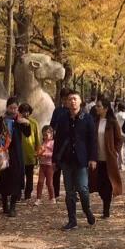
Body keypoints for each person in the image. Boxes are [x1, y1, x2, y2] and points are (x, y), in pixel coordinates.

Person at [52, 91, 97, 230]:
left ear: (80, 101)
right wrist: (54, 160)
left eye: (75, 99)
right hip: (66, 159)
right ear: (66, 102)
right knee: (69, 191)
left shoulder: (87, 118)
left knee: (83, 189)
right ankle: (72, 220)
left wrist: (93, 158)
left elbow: (92, 140)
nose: (72, 101)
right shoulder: (62, 118)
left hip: (82, 160)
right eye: (70, 99)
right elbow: (57, 140)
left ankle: (87, 209)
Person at [0, 96, 31, 217]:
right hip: (3, 153)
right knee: (4, 179)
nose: (13, 110)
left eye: (15, 108)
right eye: (11, 107)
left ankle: (13, 207)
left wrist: (26, 123)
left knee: (16, 179)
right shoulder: (1, 120)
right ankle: (5, 205)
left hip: (16, 154)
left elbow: (27, 134)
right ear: (7, 107)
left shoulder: (19, 120)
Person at [90, 96, 123, 218]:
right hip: (97, 159)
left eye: (99, 106)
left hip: (109, 159)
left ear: (106, 108)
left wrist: (115, 151)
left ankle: (106, 209)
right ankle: (104, 200)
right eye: (96, 106)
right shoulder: (94, 121)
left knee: (108, 184)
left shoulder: (112, 123)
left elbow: (119, 139)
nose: (97, 108)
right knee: (98, 183)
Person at [51, 87, 70, 199]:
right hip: (59, 143)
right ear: (62, 99)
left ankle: (71, 192)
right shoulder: (57, 111)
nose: (68, 101)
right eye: (66, 99)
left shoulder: (75, 111)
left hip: (71, 144)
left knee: (70, 170)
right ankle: (56, 193)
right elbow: (52, 125)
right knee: (57, 169)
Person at [18, 102, 40, 200]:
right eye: (23, 112)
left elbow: (37, 138)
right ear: (20, 112)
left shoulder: (34, 123)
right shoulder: (18, 122)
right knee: (19, 175)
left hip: (30, 153)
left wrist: (38, 152)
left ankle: (28, 194)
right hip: (19, 153)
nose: (26, 114)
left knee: (30, 175)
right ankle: (18, 193)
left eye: (27, 112)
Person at [35, 125, 56, 205]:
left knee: (49, 183)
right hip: (42, 165)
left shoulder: (53, 143)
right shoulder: (42, 143)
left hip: (50, 165)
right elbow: (39, 153)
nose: (46, 135)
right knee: (40, 182)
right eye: (44, 134)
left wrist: (45, 154)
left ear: (51, 134)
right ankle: (38, 198)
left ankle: (52, 197)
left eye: (47, 133)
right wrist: (38, 154)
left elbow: (54, 154)